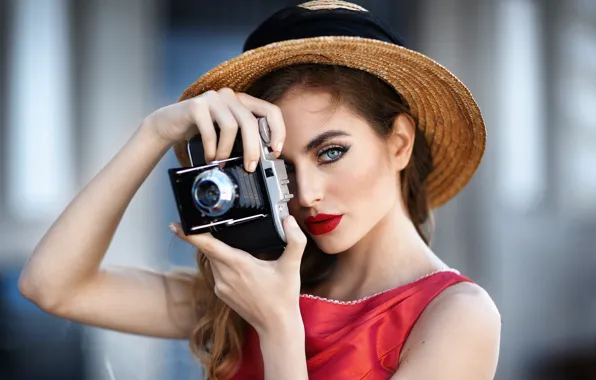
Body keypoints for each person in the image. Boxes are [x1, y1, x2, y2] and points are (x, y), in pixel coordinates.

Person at [18, 1, 501, 379]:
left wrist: (278, 327)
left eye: (331, 152)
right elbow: (52, 286)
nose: (306, 194)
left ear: (398, 143)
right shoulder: (254, 286)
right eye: (281, 169)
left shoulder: (456, 317)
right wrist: (154, 133)